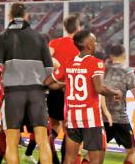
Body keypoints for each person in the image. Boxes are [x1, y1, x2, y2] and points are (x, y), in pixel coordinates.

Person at [44, 29, 122, 164]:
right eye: (94, 40)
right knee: (95, 159)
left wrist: (66, 84)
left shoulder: (68, 63)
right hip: (90, 119)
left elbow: (47, 82)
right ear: (89, 45)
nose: (96, 43)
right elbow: (99, 88)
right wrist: (116, 92)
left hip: (72, 117)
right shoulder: (96, 63)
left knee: (69, 158)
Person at [0, 3, 54, 164]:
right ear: (26, 16)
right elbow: (49, 69)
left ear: (9, 16)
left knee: (12, 143)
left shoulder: (1, 37)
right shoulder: (39, 37)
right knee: (42, 141)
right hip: (36, 93)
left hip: (13, 93)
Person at [101, 43, 135, 164]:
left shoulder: (103, 70)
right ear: (125, 56)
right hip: (120, 119)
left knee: (96, 152)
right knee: (132, 151)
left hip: (102, 119)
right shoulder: (128, 72)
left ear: (110, 56)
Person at [48, 15, 81, 163]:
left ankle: (51, 151)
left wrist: (56, 72)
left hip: (54, 88)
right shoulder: (80, 46)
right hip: (71, 90)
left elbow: (46, 59)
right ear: (78, 27)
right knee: (69, 129)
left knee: (54, 125)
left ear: (65, 28)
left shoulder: (54, 43)